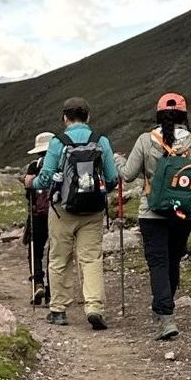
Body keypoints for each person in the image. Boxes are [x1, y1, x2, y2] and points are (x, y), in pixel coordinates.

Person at [114, 93, 191, 340]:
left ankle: (165, 316)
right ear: (184, 116)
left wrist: (117, 159)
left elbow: (128, 174)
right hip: (182, 213)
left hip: (151, 213)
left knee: (158, 262)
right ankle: (164, 308)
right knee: (173, 259)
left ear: (158, 114)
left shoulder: (146, 140)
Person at [25, 97, 118, 330]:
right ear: (88, 117)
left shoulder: (58, 142)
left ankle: (58, 310)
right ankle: (94, 307)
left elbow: (45, 179)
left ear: (65, 118)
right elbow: (112, 178)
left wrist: (30, 181)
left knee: (59, 258)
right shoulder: (101, 141)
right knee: (91, 258)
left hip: (61, 210)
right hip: (93, 210)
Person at [23, 132, 54, 306]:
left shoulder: (33, 167)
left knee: (35, 249)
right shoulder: (58, 165)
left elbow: (29, 194)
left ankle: (38, 283)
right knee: (54, 252)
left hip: (37, 215)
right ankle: (51, 291)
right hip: (56, 213)